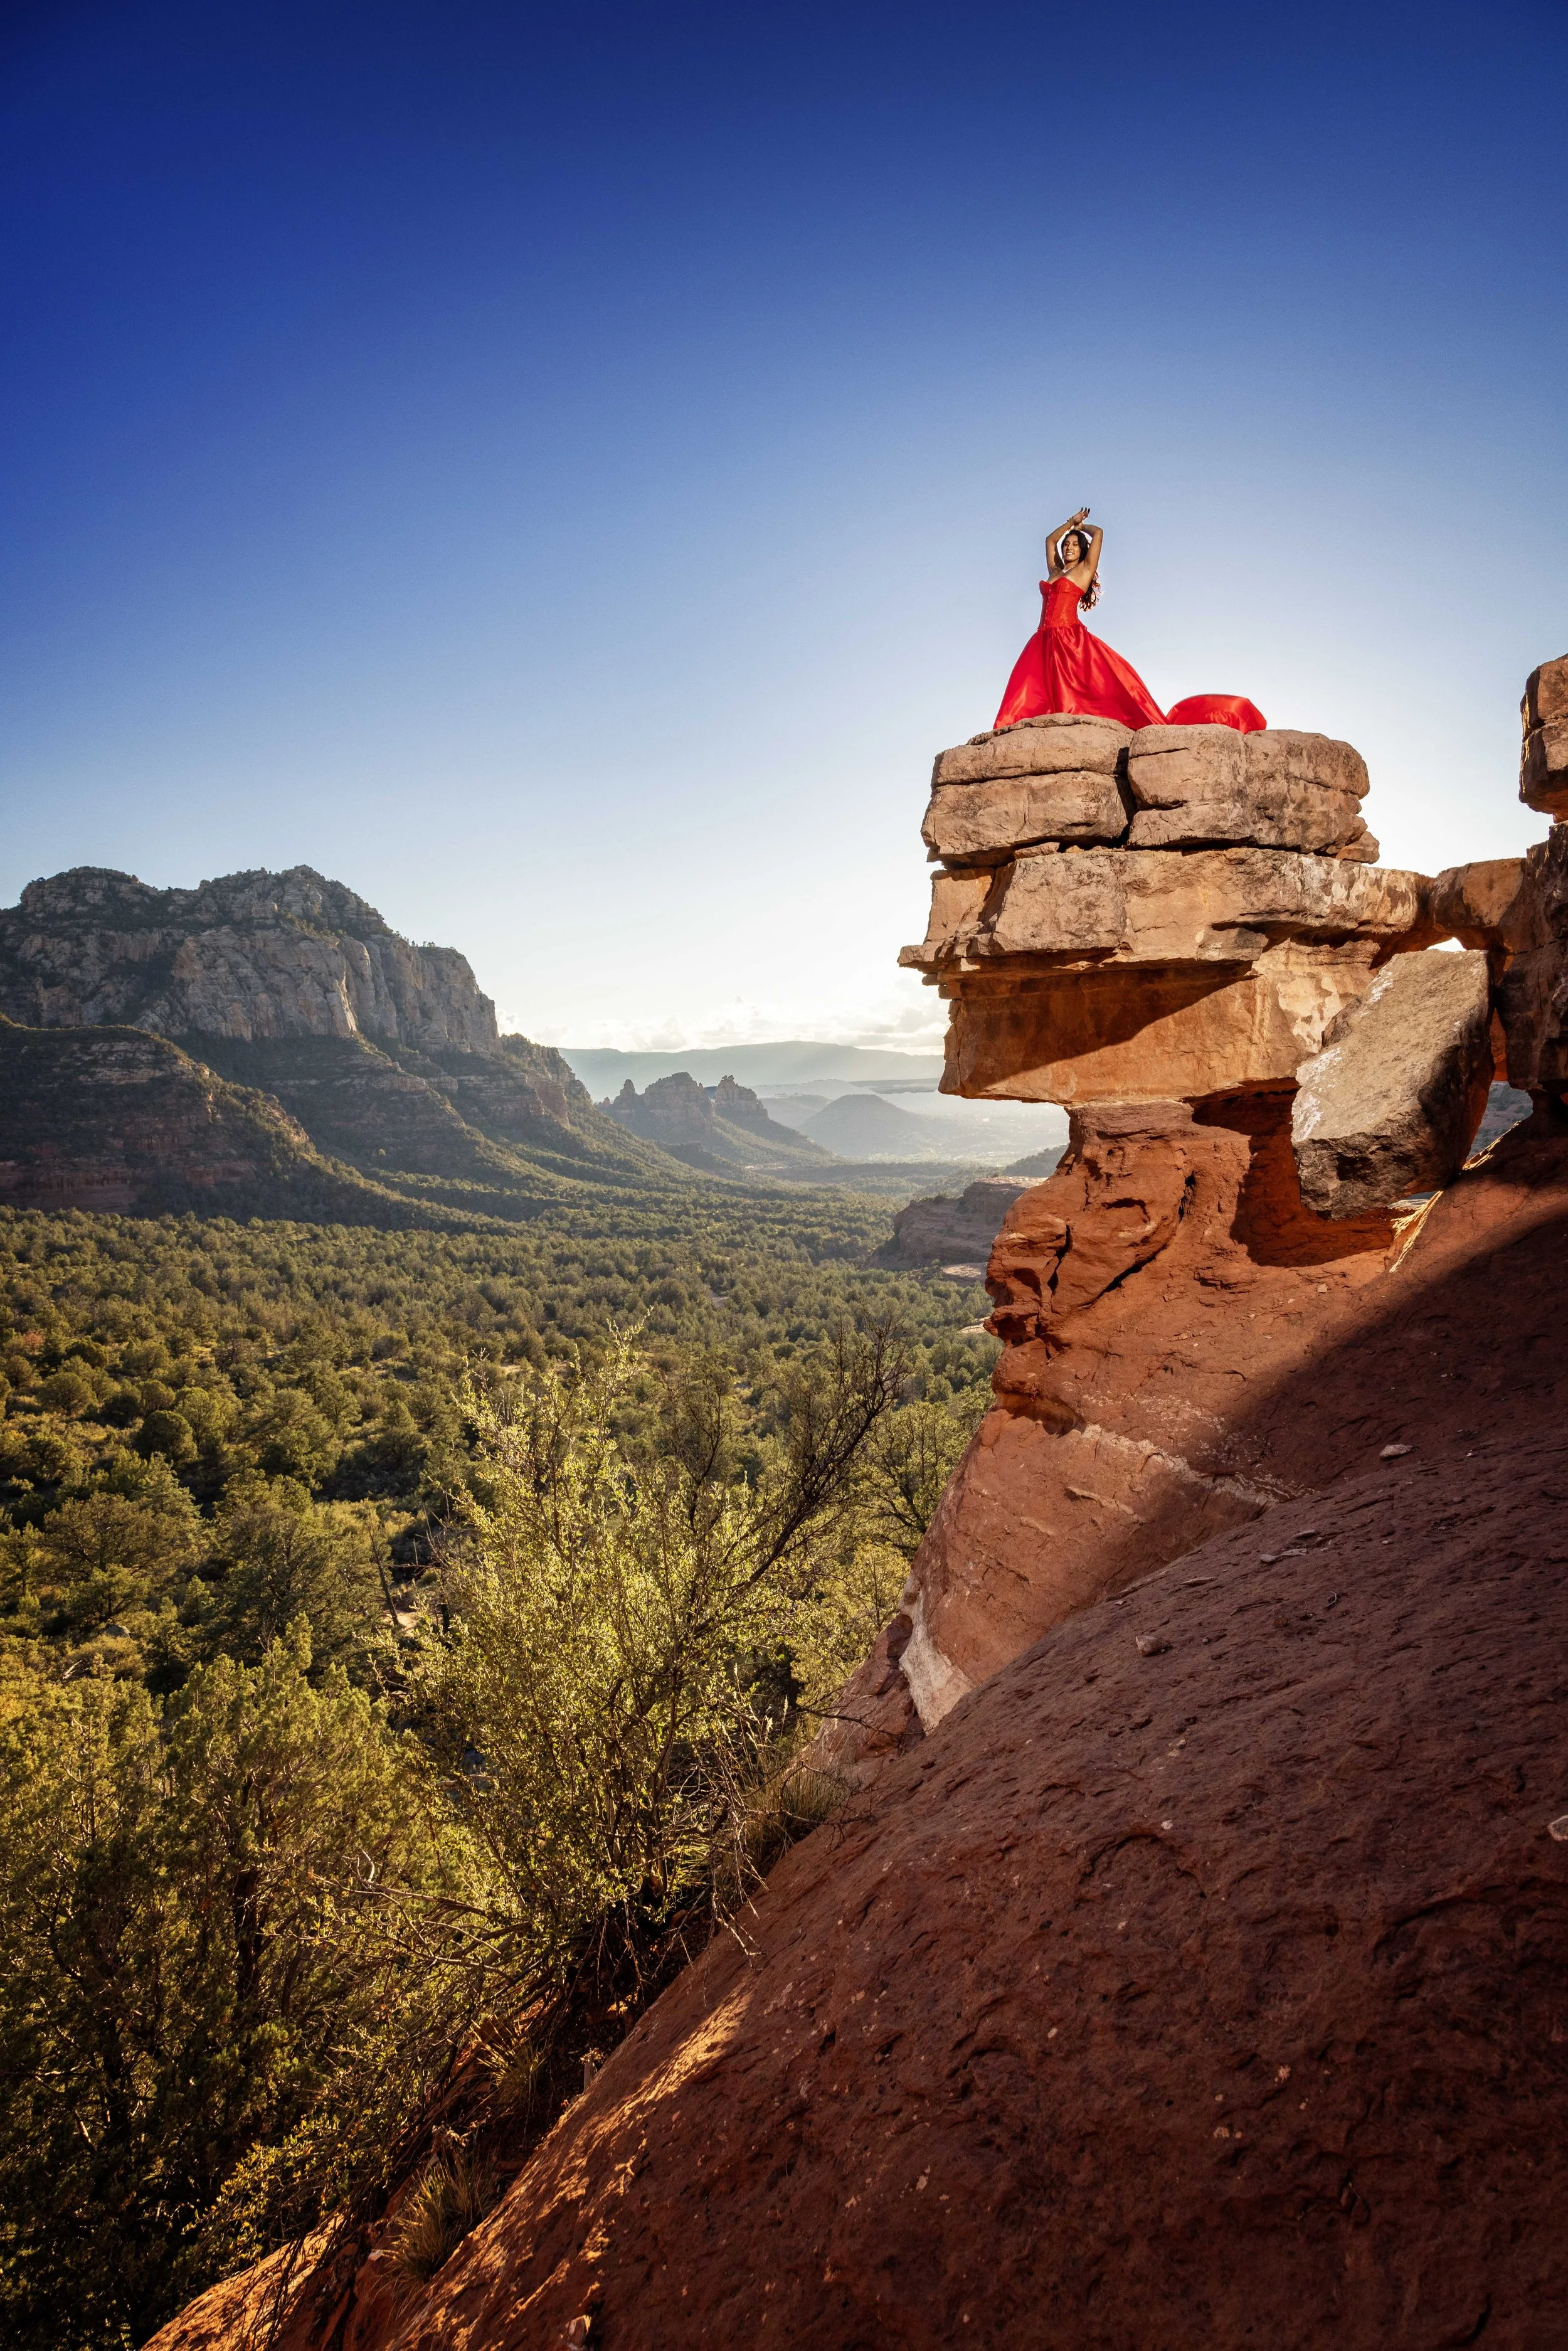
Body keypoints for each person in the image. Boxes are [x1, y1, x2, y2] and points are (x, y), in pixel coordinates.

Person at [993, 507, 1264, 734]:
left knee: (1077, 694)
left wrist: (1081, 526)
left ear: (1083, 551)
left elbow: (1099, 533)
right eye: (1068, 544)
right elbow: (1048, 541)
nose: (1069, 547)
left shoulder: (1085, 571)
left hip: (1069, 639)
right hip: (1042, 639)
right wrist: (1068, 525)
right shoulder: (1055, 571)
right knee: (1031, 693)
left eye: (1075, 545)